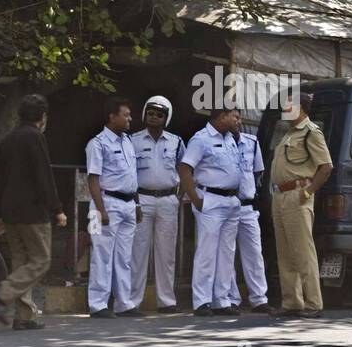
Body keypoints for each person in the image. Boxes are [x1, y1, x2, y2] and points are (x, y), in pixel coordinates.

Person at [0, 94, 66, 330]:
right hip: (32, 211)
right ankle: (2, 294)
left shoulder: (7, 140)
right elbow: (43, 176)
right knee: (41, 261)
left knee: (21, 261)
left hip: (10, 210)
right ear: (42, 117)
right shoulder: (35, 138)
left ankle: (24, 317)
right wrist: (57, 209)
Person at [268, 93, 332, 318]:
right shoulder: (288, 133)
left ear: (302, 108)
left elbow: (326, 167)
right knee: (285, 252)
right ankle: (292, 302)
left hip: (298, 194)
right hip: (280, 196)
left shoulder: (311, 132)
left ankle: (313, 303)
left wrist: (308, 191)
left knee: (303, 252)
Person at [178, 108, 243, 317]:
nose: (238, 120)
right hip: (211, 199)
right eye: (235, 116)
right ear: (222, 116)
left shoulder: (231, 139)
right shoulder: (201, 139)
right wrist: (195, 199)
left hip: (232, 200)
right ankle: (202, 301)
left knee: (226, 253)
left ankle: (221, 300)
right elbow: (185, 168)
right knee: (207, 252)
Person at [85, 96, 140, 318]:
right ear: (112, 116)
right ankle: (98, 304)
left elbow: (131, 176)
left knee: (124, 257)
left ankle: (123, 303)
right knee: (101, 255)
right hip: (104, 204)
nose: (129, 119)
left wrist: (136, 203)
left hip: (127, 203)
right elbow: (93, 180)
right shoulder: (97, 143)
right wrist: (101, 210)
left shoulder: (127, 141)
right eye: (125, 115)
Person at [129, 95, 183, 314]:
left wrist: (178, 198)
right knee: (138, 252)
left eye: (159, 114)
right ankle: (132, 302)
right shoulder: (133, 141)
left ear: (166, 118)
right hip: (142, 199)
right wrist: (134, 203)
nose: (154, 117)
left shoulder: (176, 141)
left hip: (168, 200)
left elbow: (184, 169)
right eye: (150, 113)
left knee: (167, 253)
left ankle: (166, 301)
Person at [226, 119, 271, 313]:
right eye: (232, 117)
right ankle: (231, 298)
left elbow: (257, 172)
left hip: (247, 206)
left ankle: (259, 298)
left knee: (254, 253)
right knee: (227, 254)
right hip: (226, 204)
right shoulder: (217, 142)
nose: (236, 121)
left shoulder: (251, 142)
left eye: (238, 118)